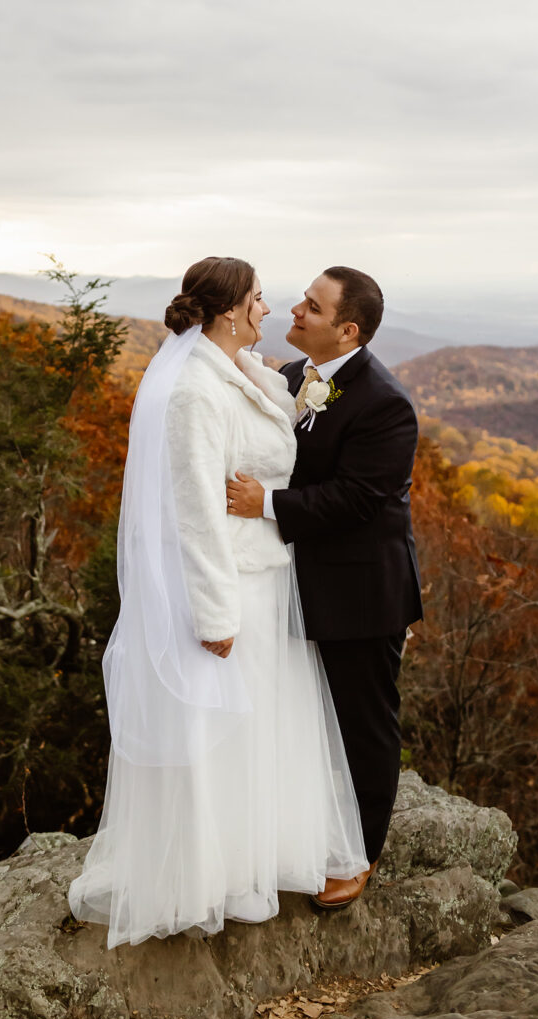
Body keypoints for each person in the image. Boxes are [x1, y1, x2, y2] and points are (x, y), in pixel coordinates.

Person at [68, 257, 367, 947]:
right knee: (219, 737)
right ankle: (205, 877)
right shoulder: (194, 392)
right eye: (260, 299)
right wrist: (213, 616)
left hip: (264, 579)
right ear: (229, 309)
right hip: (228, 588)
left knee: (253, 731)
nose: (270, 309)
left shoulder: (234, 369)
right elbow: (195, 513)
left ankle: (245, 858)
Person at [226, 266, 422, 909]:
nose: (295, 309)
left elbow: (357, 500)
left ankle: (359, 855)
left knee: (362, 725)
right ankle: (305, 834)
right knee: (308, 719)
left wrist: (267, 505)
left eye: (312, 306)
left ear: (347, 329)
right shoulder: (289, 378)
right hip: (296, 584)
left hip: (364, 594)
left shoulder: (385, 404)